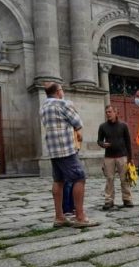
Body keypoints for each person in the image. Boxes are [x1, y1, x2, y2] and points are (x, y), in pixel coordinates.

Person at [40, 82, 98, 228]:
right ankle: (80, 217)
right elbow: (78, 123)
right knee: (79, 177)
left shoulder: (43, 107)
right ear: (58, 91)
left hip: (53, 149)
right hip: (66, 148)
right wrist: (70, 105)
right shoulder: (63, 104)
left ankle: (59, 217)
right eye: (62, 89)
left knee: (58, 180)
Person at [97, 105, 134, 210]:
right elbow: (99, 141)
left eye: (110, 112)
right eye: (106, 112)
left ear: (116, 112)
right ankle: (109, 200)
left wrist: (130, 158)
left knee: (125, 179)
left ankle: (127, 199)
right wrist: (103, 144)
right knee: (109, 179)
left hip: (122, 156)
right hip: (109, 157)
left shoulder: (123, 126)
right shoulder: (102, 126)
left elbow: (128, 142)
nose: (108, 114)